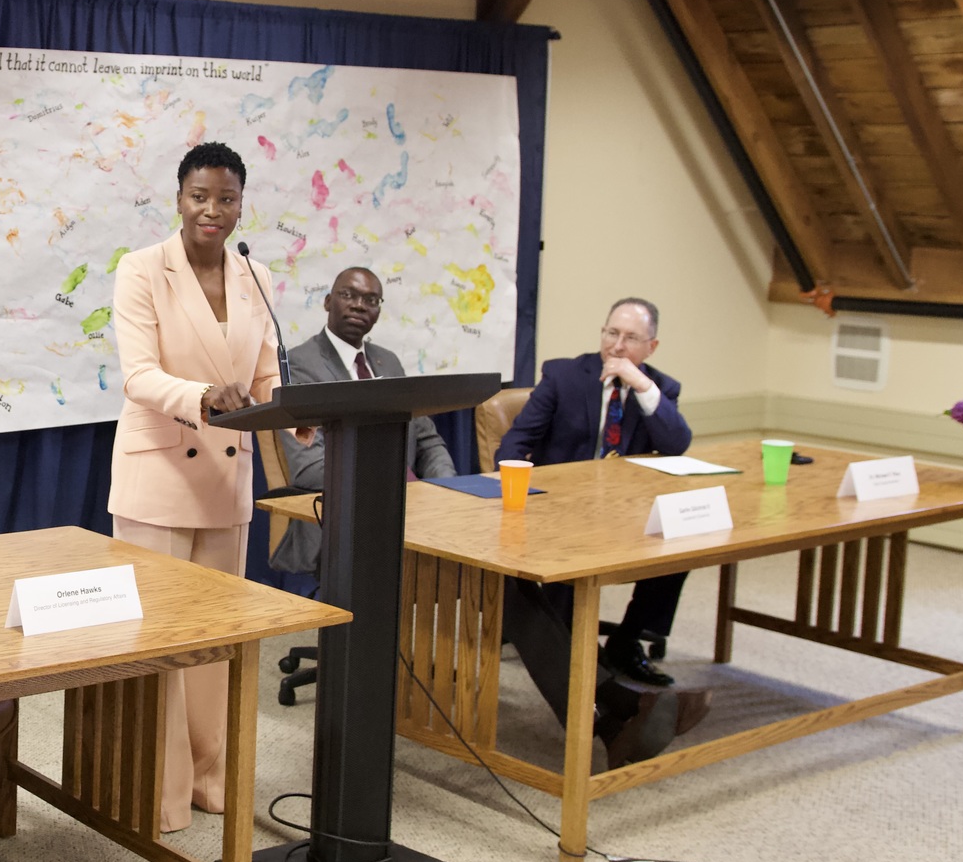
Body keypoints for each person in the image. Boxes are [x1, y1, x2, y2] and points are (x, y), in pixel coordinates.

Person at [109, 141, 288, 833]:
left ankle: (210, 778)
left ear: (242, 204)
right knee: (159, 641)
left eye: (226, 198)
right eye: (199, 196)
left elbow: (267, 372)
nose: (212, 210)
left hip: (226, 475)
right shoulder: (141, 270)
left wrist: (292, 422)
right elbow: (137, 375)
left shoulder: (255, 274)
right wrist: (202, 396)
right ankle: (159, 792)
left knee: (214, 641)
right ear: (178, 198)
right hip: (160, 468)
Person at [494, 297, 709, 766]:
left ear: (650, 346)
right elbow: (516, 444)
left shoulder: (659, 388)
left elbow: (677, 447)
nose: (616, 345)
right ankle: (621, 711)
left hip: (620, 515)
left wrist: (641, 387)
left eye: (630, 338)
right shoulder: (565, 376)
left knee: (683, 540)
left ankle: (628, 646)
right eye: (610, 333)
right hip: (556, 512)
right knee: (530, 588)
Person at [271, 266, 455, 583]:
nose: (359, 305)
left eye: (371, 299)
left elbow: (427, 440)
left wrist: (445, 489)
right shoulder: (300, 366)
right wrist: (394, 490)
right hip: (343, 516)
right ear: (328, 301)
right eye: (348, 295)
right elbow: (309, 468)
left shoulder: (388, 361)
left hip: (410, 508)